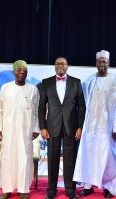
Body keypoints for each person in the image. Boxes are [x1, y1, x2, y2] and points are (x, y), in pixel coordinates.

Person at [73, 50, 116, 198]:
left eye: (104, 61)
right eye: (100, 62)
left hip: (108, 127)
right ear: (96, 63)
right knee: (89, 155)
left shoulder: (115, 81)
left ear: (109, 63)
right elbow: (83, 104)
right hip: (90, 127)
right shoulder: (89, 81)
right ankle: (88, 185)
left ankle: (108, 186)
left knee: (107, 158)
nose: (102, 64)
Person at [38, 56, 86, 199]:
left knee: (70, 159)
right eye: (58, 64)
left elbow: (82, 106)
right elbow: (41, 108)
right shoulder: (46, 83)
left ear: (67, 66)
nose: (60, 66)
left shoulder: (76, 82)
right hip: (52, 127)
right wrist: (43, 127)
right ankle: (51, 191)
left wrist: (80, 127)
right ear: (54, 66)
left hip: (71, 127)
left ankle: (70, 190)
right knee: (52, 159)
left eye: (63, 64)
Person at [0, 60, 40, 199]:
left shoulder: (33, 89)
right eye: (19, 69)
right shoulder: (5, 88)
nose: (22, 72)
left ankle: (23, 189)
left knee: (24, 160)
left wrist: (36, 128)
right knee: (7, 159)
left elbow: (37, 111)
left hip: (26, 131)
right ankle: (6, 189)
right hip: (8, 131)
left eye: (24, 70)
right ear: (14, 72)